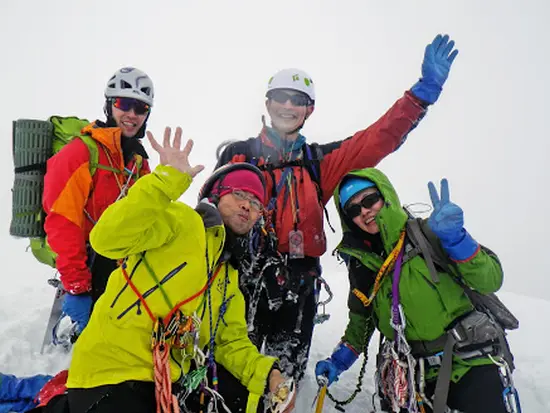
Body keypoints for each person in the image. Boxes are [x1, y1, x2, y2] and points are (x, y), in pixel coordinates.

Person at [215, 34, 459, 382]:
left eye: (298, 100)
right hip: (242, 275)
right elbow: (214, 211)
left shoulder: (319, 162)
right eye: (281, 97)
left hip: (298, 283)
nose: (288, 106)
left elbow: (375, 139)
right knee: (230, 373)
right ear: (268, 103)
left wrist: (420, 96)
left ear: (309, 109)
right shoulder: (238, 154)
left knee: (283, 380)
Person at [22, 127, 296, 413]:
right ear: (216, 194)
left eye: (256, 203)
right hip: (111, 373)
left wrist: (269, 375)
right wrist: (166, 181)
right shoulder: (182, 220)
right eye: (239, 193)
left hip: (162, 386)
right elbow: (106, 238)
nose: (247, 206)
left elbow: (231, 341)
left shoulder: (227, 274)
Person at [315, 168, 519, 413]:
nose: (364, 211)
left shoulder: (429, 234)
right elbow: (362, 321)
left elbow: (490, 280)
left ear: (386, 196)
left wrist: (457, 241)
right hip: (410, 379)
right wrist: (338, 361)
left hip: (468, 364)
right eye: (353, 210)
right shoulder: (363, 265)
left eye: (369, 200)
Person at [43, 67, 154, 335]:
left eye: (140, 108)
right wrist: (77, 286)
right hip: (86, 266)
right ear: (109, 105)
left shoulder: (138, 161)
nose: (132, 114)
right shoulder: (81, 152)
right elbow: (62, 222)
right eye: (123, 104)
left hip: (122, 271)